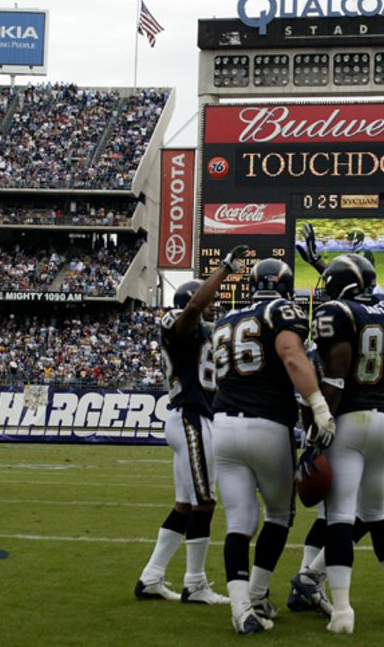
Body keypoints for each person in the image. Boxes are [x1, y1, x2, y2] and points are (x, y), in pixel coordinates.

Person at [289, 254, 384, 634]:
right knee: (378, 513)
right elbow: (377, 377)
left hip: (350, 420)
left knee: (341, 517)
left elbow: (339, 378)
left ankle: (342, 611)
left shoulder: (337, 312)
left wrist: (318, 430)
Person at [210, 258, 336, 635]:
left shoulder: (226, 318)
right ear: (284, 284)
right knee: (279, 517)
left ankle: (241, 608)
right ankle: (258, 593)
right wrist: (318, 404)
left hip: (223, 426)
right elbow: (291, 355)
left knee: (238, 523)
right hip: (267, 424)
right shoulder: (281, 310)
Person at [134, 245, 245, 605]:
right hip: (191, 419)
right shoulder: (178, 324)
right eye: (206, 300)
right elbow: (195, 307)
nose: (212, 305)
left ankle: (151, 577)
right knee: (204, 502)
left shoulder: (205, 333)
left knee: (185, 504)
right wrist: (225, 269)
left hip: (194, 418)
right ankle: (195, 584)